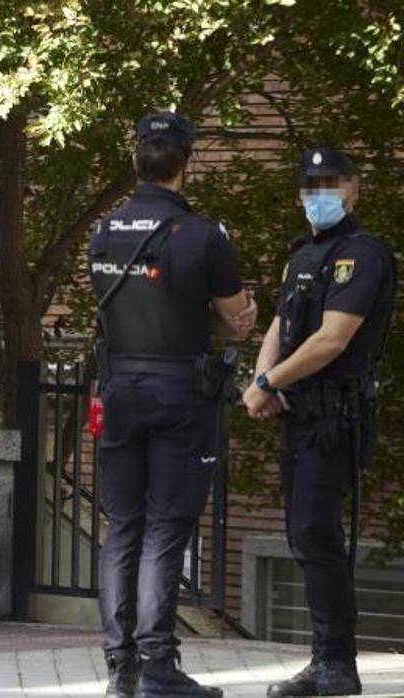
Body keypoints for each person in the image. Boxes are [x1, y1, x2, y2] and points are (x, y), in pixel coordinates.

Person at [87, 112, 256, 697]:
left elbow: (120, 306)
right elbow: (237, 321)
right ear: (187, 163)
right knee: (165, 530)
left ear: (137, 160)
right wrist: (216, 314)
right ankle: (159, 664)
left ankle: (119, 668)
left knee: (122, 528)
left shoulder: (104, 231)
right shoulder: (203, 236)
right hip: (181, 392)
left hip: (119, 390)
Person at [243, 148, 395, 698]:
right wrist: (265, 377)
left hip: (337, 415)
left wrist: (268, 384)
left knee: (315, 531)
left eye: (331, 184)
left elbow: (333, 338)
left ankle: (337, 663)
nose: (320, 194)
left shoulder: (363, 253)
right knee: (303, 533)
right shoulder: (302, 254)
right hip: (299, 414)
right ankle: (325, 659)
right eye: (311, 185)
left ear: (353, 189)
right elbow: (282, 325)